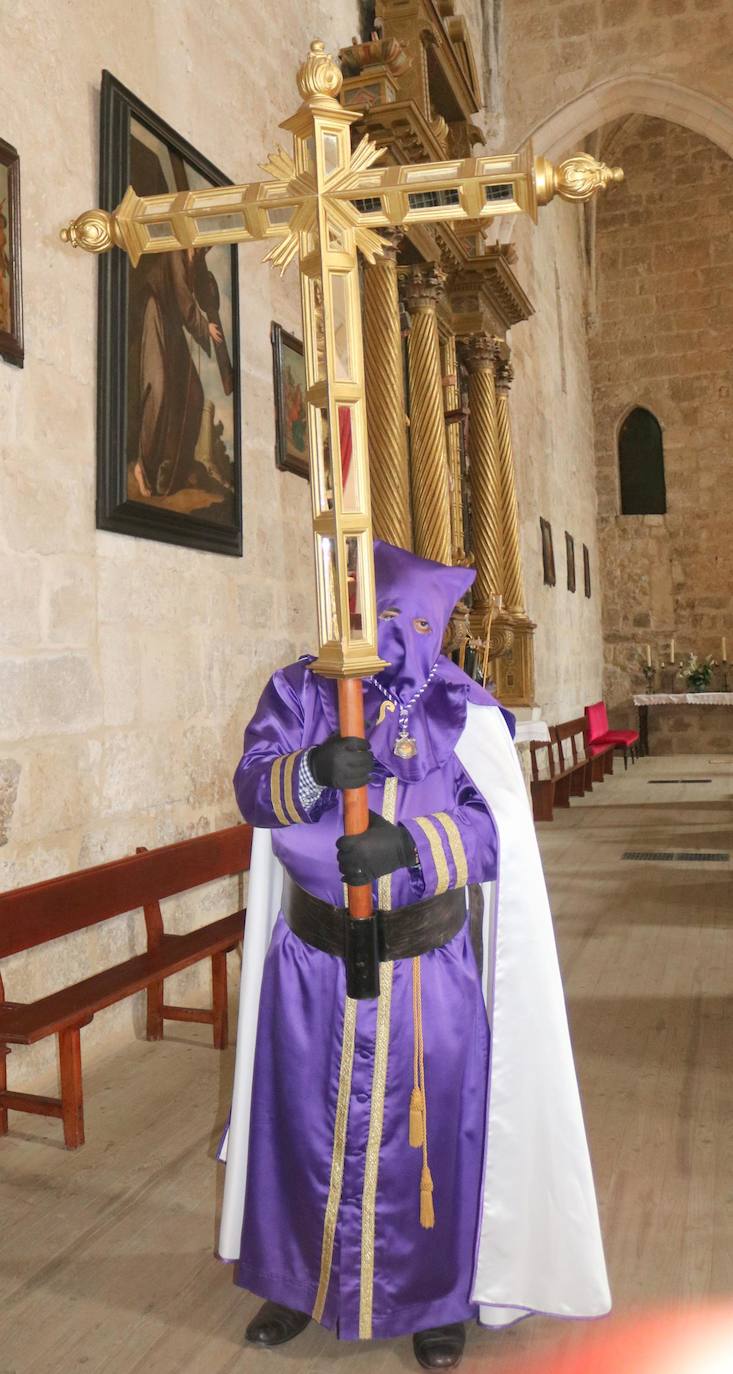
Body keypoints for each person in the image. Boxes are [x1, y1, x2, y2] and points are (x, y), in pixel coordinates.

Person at [218, 541, 610, 1369]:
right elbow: (255, 785)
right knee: (301, 1126)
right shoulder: (299, 691)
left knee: (430, 1139)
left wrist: (409, 845)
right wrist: (314, 769)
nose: (401, 639)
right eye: (386, 618)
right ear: (357, 615)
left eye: (421, 623)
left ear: (445, 630)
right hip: (314, 965)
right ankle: (292, 1281)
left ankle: (437, 1298)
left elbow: (496, 829)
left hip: (426, 968)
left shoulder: (464, 712)